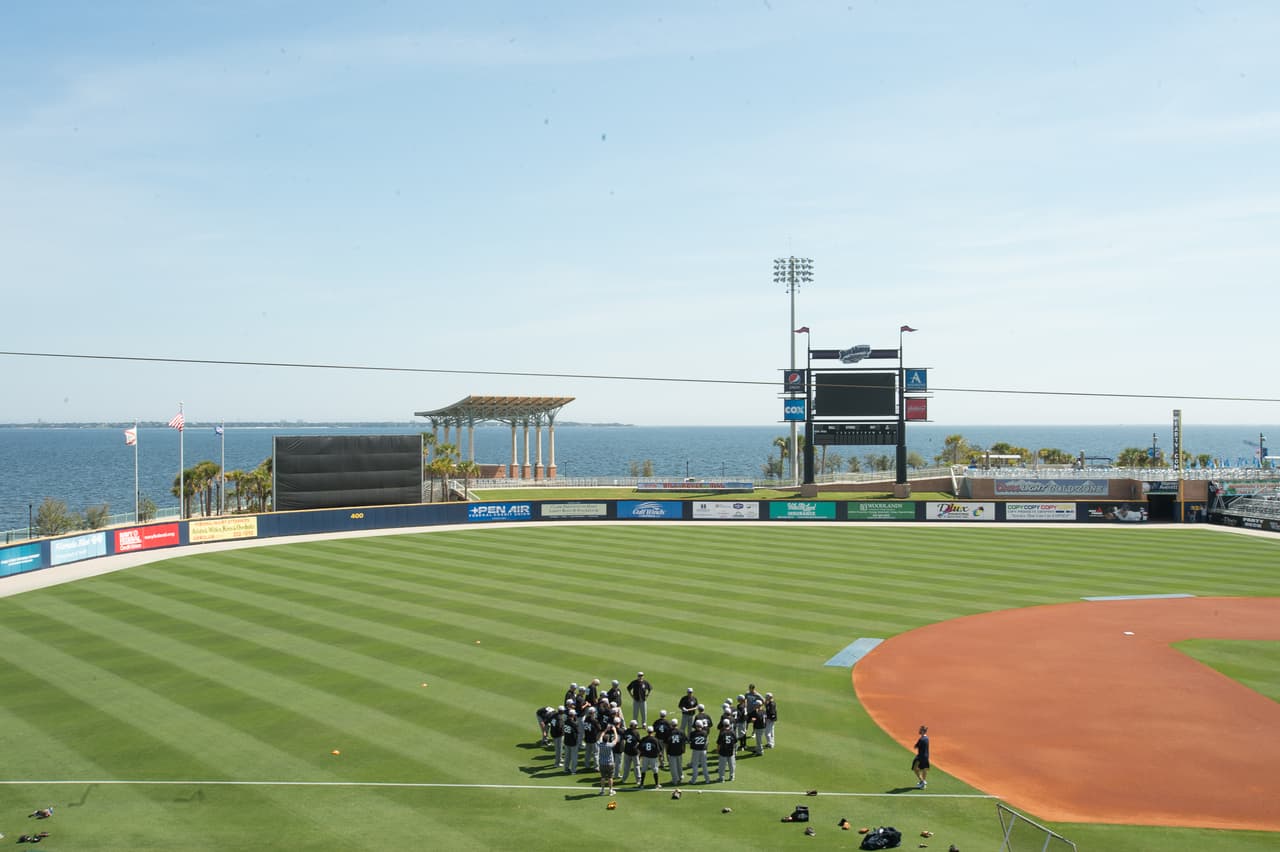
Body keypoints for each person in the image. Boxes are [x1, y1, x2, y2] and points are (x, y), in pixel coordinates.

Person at [597, 722, 619, 795]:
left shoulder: (600, 744)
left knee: (603, 777)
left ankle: (602, 790)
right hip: (610, 763)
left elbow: (601, 736)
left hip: (602, 763)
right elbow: (616, 739)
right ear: (608, 739)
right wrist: (614, 730)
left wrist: (606, 729)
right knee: (610, 777)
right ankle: (610, 791)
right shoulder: (610, 745)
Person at [688, 719, 711, 784]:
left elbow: (690, 741)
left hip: (696, 751)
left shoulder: (692, 733)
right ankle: (707, 780)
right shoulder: (705, 733)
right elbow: (706, 742)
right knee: (704, 765)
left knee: (695, 766)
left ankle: (693, 780)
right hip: (703, 750)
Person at [619, 720, 642, 786]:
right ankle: (638, 780)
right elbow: (639, 742)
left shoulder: (626, 731)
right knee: (636, 766)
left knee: (626, 767)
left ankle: (624, 779)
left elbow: (623, 739)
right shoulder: (636, 732)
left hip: (627, 751)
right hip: (634, 752)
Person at [665, 721, 687, 786]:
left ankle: (675, 780)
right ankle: (680, 776)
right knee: (679, 764)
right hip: (679, 751)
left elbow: (666, 744)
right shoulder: (681, 731)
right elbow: (684, 741)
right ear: (677, 724)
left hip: (672, 751)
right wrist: (683, 749)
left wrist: (667, 752)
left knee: (673, 767)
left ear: (671, 725)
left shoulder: (668, 732)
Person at [562, 709, 580, 774]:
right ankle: (573, 770)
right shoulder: (574, 723)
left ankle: (566, 769)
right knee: (574, 757)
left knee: (567, 756)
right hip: (573, 742)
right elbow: (578, 732)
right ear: (573, 715)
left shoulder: (565, 721)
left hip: (566, 741)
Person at [913, 725, 930, 789]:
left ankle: (922, 782)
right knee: (924, 769)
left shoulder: (921, 739)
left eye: (920, 730)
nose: (919, 731)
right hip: (926, 756)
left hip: (921, 756)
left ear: (923, 731)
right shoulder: (927, 738)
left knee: (915, 768)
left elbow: (915, 746)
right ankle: (923, 782)